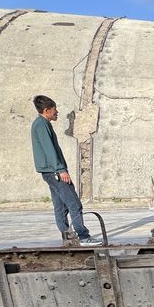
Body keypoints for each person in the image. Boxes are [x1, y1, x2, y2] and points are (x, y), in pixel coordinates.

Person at [30, 95, 101, 245]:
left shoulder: (41, 123)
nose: (57, 112)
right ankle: (83, 237)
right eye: (54, 109)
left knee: (61, 207)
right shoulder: (41, 125)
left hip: (49, 172)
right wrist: (60, 169)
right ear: (46, 110)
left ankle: (68, 238)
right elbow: (49, 150)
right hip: (55, 172)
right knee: (74, 204)